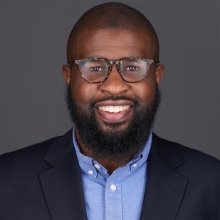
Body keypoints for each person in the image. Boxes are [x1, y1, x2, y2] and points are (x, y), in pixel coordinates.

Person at [0, 2, 219, 220]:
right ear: (69, 77)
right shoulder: (6, 180)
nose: (114, 86)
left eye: (133, 68)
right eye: (94, 68)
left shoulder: (211, 183)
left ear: (157, 77)